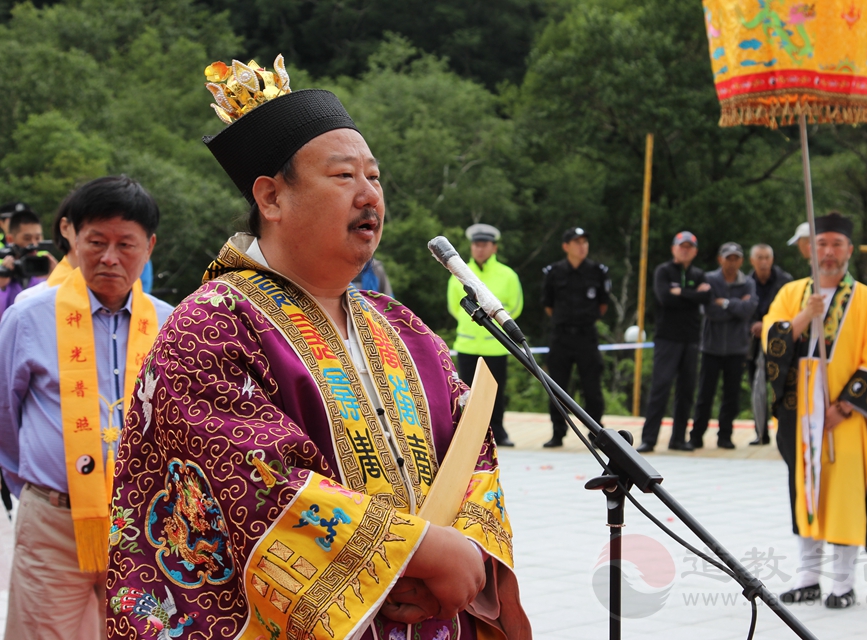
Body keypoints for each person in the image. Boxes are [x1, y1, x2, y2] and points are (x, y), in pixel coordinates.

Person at [106, 57, 530, 640]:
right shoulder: (212, 324)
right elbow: (254, 481)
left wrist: (470, 548)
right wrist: (415, 550)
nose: (369, 194)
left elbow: (472, 446)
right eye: (343, 176)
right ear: (272, 198)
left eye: (375, 177)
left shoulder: (403, 327)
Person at [0, 176, 172, 640]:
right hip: (54, 521)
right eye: (96, 241)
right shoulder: (29, 314)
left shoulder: (170, 323)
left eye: (126, 244)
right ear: (72, 235)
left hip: (141, 526)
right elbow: (4, 414)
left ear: (150, 246)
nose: (110, 257)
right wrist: (37, 487)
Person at [764, 212, 867, 610]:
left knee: (843, 496)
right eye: (821, 244)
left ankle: (843, 582)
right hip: (801, 414)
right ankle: (807, 577)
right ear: (810, 248)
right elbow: (773, 344)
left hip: (845, 417)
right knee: (806, 493)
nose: (828, 252)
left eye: (837, 244)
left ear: (849, 251)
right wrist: (806, 315)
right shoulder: (791, 294)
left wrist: (846, 405)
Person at [447, 223, 523, 447]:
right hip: (468, 345)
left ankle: (497, 430)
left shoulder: (507, 275)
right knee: (466, 392)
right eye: (476, 245)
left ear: (494, 247)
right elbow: (454, 307)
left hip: (497, 345)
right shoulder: (458, 275)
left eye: (484, 245)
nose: (479, 249)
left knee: (496, 392)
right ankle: (471, 435)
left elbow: (515, 308)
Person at [637, 231, 711, 452]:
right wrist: (691, 295)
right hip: (667, 338)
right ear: (674, 249)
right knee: (660, 387)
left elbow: (706, 297)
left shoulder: (699, 274)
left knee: (686, 390)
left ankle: (678, 438)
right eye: (681, 246)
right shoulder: (663, 271)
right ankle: (649, 439)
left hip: (690, 339)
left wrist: (681, 293)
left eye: (689, 247)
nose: (685, 250)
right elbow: (665, 298)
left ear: (695, 251)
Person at [541, 227, 610, 447]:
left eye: (585, 242)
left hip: (586, 336)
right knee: (557, 386)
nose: (582, 246)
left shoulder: (597, 271)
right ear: (566, 246)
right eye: (577, 242)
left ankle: (595, 432)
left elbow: (603, 304)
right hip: (561, 336)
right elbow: (548, 305)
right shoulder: (554, 272)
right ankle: (558, 432)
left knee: (592, 386)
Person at [690, 242, 757, 450]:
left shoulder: (747, 282)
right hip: (711, 346)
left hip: (737, 348)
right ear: (720, 259)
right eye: (728, 258)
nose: (732, 262)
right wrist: (736, 305)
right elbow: (710, 310)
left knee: (732, 396)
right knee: (705, 395)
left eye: (736, 258)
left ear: (741, 261)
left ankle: (725, 436)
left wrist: (725, 303)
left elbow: (749, 309)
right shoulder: (709, 279)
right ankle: (696, 436)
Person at [746, 244, 793, 445]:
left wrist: (765, 324)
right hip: (752, 344)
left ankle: (785, 432)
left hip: (779, 344)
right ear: (752, 261)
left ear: (772, 260)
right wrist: (751, 326)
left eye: (767, 257)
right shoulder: (745, 283)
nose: (764, 262)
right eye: (760, 257)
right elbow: (740, 310)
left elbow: (790, 311)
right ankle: (761, 433)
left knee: (782, 388)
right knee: (757, 388)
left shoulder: (786, 282)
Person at [15, 201, 83, 303]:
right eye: (96, 241)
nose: (33, 245)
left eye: (38, 238)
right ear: (65, 228)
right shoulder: (29, 299)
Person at [0, 207, 55, 321]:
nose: (34, 244)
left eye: (38, 238)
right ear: (10, 239)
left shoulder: (47, 268)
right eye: (27, 238)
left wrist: (56, 279)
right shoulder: (4, 270)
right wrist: (2, 287)